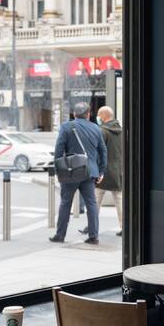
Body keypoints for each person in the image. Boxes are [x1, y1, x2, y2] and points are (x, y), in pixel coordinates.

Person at [49, 102, 107, 244]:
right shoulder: (96, 128)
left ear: (74, 114)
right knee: (91, 204)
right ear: (88, 114)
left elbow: (58, 150)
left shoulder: (66, 127)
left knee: (65, 203)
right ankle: (93, 236)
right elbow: (103, 151)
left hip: (71, 172)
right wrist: (101, 171)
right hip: (89, 172)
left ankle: (60, 235)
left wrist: (58, 170)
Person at [80, 106, 123, 236]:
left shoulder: (101, 131)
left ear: (104, 116)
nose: (97, 117)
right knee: (119, 199)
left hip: (103, 170)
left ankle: (91, 226)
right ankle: (124, 226)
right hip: (117, 170)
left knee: (95, 199)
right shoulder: (120, 130)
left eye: (99, 115)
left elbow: (97, 152)